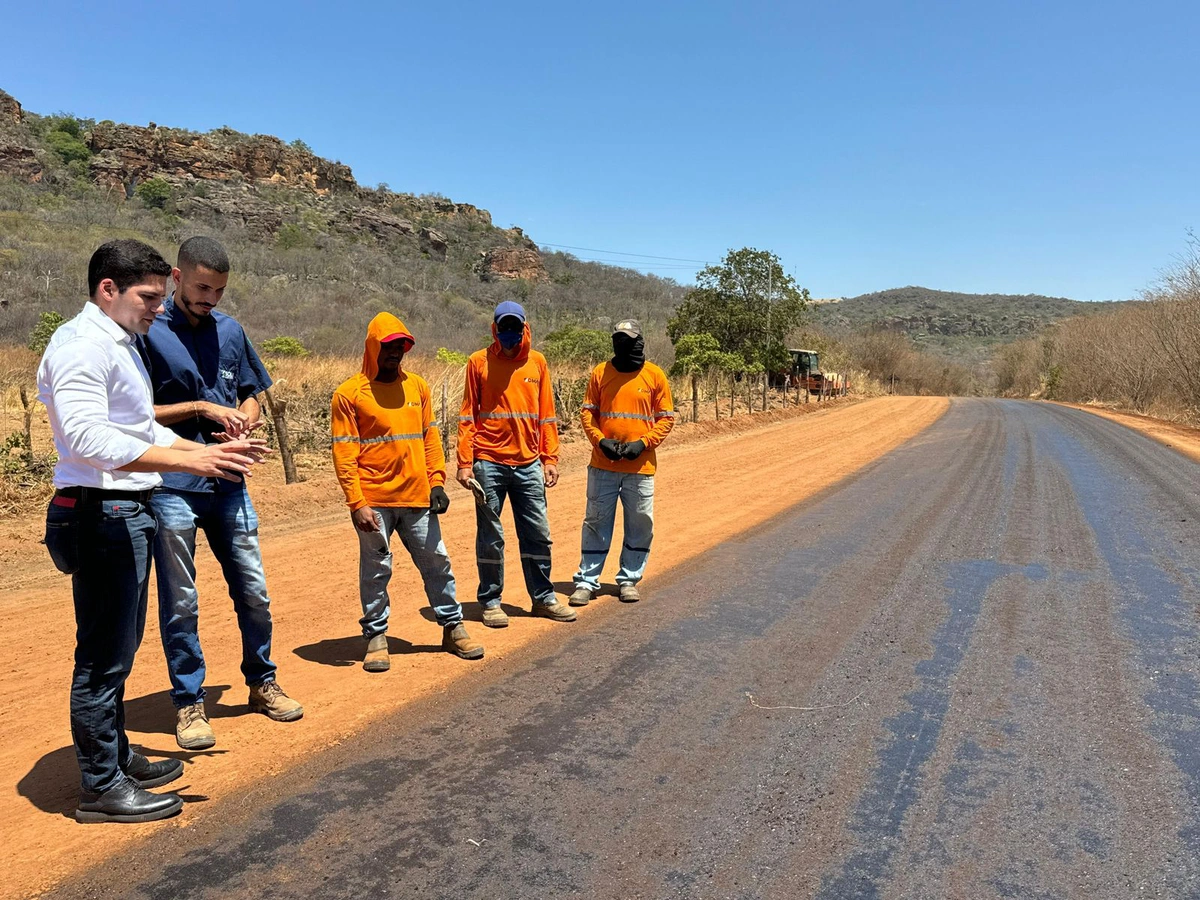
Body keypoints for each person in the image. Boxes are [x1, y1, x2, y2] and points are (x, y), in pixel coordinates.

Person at [38, 239, 270, 823]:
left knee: (120, 648)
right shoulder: (82, 347)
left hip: (123, 510)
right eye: (148, 297)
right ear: (107, 289)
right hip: (98, 512)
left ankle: (115, 758)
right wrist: (188, 462)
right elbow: (87, 439)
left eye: (160, 298)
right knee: (102, 657)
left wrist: (208, 453)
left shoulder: (119, 345)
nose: (155, 309)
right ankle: (101, 786)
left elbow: (142, 429)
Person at [141, 236, 301, 751]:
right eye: (202, 288)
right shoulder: (148, 330)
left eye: (219, 291)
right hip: (173, 485)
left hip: (229, 481)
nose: (209, 299)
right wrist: (202, 409)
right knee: (181, 600)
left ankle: (261, 682)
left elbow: (251, 391)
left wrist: (245, 419)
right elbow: (137, 412)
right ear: (176, 275)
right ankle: (189, 703)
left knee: (253, 590)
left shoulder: (230, 330)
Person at [332, 311, 484, 672]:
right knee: (376, 569)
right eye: (388, 348)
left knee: (437, 563)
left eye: (401, 348)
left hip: (417, 497)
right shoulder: (349, 394)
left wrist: (437, 482)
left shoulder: (418, 387)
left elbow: (430, 437)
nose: (396, 354)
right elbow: (344, 450)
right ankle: (376, 637)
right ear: (372, 348)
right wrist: (356, 502)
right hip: (374, 502)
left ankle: (452, 627)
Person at [456, 300, 575, 628]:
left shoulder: (537, 362)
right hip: (489, 463)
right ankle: (491, 601)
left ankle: (543, 598)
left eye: (515, 327)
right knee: (491, 535)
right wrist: (465, 463)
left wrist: (550, 458)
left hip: (528, 464)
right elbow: (468, 414)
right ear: (495, 329)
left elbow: (546, 414)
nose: (509, 334)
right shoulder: (477, 362)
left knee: (537, 533)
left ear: (524, 328)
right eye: (503, 327)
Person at [569, 319, 676, 606]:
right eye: (619, 339)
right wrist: (599, 440)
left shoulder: (655, 376)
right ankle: (587, 581)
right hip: (603, 465)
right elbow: (587, 413)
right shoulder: (600, 373)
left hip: (640, 468)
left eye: (629, 340)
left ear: (640, 342)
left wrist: (643, 443)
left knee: (640, 524)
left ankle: (629, 579)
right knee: (595, 522)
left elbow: (666, 418)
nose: (623, 345)